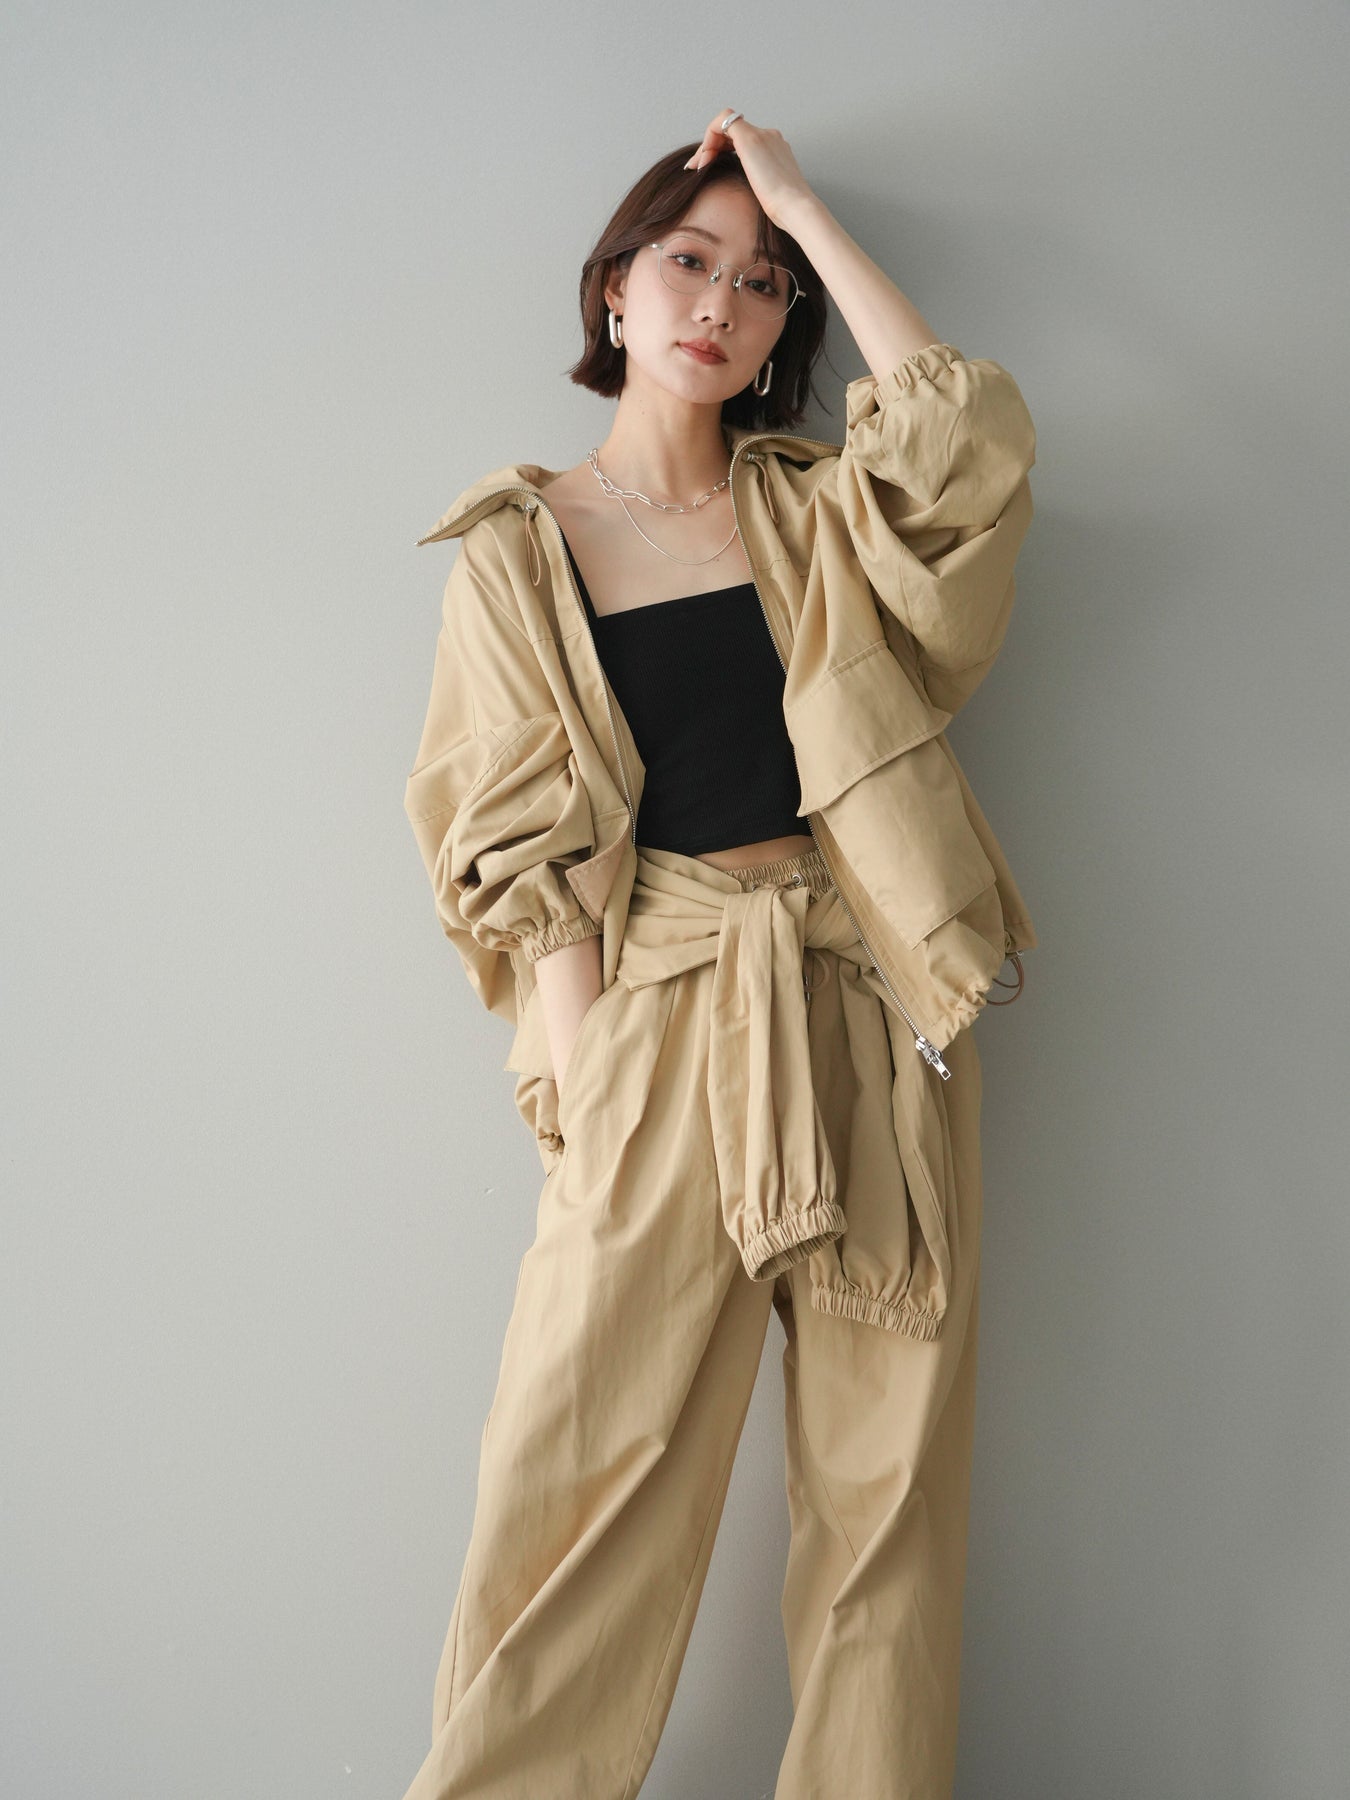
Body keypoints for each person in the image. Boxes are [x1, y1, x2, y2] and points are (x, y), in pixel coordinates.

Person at [399, 108, 1038, 1800]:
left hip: (872, 1008)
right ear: (614, 287)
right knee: (577, 1485)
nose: (720, 304)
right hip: (662, 1019)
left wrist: (808, 211)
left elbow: (963, 453)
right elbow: (522, 853)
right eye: (689, 261)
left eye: (761, 284)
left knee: (887, 1503)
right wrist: (588, 1079)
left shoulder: (822, 513)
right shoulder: (523, 549)